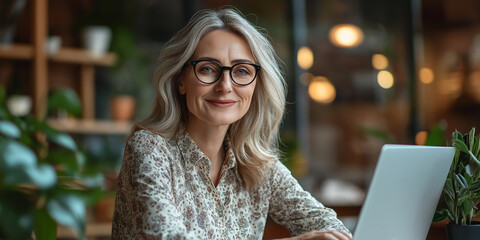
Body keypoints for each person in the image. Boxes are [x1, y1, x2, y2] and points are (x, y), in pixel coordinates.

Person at [112, 8, 352, 240]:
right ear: (180, 81)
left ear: (256, 84)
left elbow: (328, 224)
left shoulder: (256, 164)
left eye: (241, 71)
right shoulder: (150, 149)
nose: (225, 85)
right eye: (207, 68)